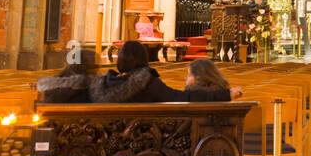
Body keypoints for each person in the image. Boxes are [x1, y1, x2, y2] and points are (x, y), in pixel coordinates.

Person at [89, 40, 229, 103]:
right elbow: (182, 99)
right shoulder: (148, 83)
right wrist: (225, 94)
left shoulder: (103, 84)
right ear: (144, 58)